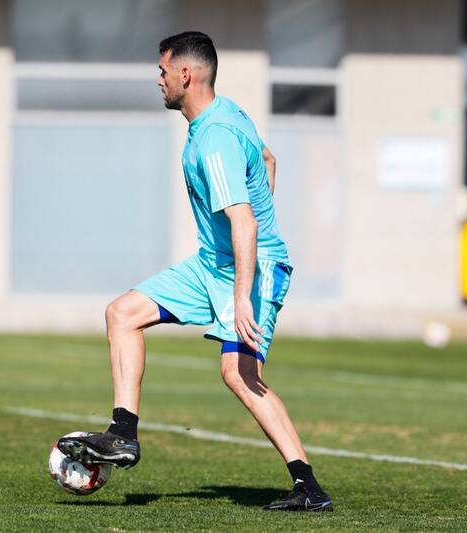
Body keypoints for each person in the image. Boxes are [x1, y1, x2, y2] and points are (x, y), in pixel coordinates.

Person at [59, 31, 332, 512]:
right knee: (122, 313)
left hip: (250, 269)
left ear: (185, 74)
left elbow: (243, 220)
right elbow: (269, 159)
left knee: (239, 372)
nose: (157, 79)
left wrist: (244, 291)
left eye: (162, 70)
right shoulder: (228, 113)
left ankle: (308, 487)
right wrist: (255, 227)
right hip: (212, 265)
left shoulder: (214, 140)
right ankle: (124, 434)